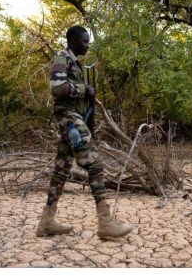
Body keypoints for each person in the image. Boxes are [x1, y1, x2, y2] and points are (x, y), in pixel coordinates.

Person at [37, 26, 133, 239]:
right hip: (69, 118)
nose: (88, 45)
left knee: (61, 169)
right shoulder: (62, 57)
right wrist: (84, 90)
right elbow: (57, 87)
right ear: (72, 40)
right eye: (84, 41)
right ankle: (105, 223)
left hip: (73, 119)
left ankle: (46, 222)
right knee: (95, 163)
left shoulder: (76, 63)